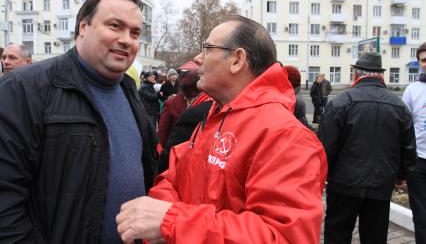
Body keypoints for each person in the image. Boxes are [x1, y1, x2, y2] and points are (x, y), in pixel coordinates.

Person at [116, 15, 327, 243]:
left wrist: (172, 222)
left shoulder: (286, 136)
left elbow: (284, 237)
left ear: (237, 60)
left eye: (207, 48)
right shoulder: (218, 114)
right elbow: (174, 176)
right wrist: (163, 216)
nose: (197, 58)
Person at [0, 0, 157, 243]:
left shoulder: (130, 91)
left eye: (135, 32)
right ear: (83, 27)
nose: (127, 40)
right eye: (115, 26)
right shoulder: (24, 88)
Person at [318, 52, 417, 244]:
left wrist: (323, 176)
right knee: (375, 235)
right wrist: (402, 175)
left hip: (343, 183)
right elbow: (408, 146)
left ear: (356, 74)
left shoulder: (340, 102)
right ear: (381, 75)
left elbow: (325, 147)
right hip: (380, 183)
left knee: (337, 233)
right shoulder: (399, 106)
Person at [402, 42, 426, 243]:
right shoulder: (412, 90)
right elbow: (405, 127)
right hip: (419, 161)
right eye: (423, 60)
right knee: (421, 216)